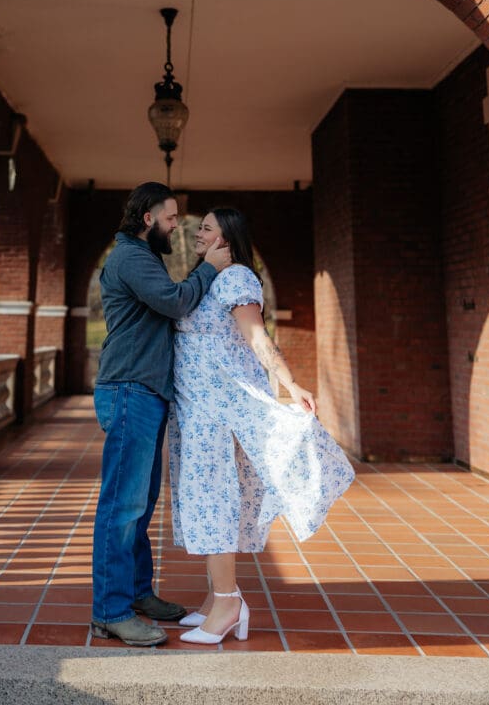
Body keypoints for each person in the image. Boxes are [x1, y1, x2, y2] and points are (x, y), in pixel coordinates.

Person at [168, 206, 355, 645]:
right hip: (197, 411)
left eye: (207, 228)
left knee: (213, 500)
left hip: (218, 411)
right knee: (205, 498)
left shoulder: (235, 278)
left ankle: (229, 603)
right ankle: (217, 600)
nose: (199, 233)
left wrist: (291, 383)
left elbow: (257, 338)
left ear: (226, 238)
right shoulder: (210, 276)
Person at [90, 182, 231, 648]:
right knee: (122, 505)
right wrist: (209, 269)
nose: (177, 226)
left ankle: (137, 593)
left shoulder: (141, 257)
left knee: (141, 504)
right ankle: (110, 612)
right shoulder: (129, 256)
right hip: (130, 388)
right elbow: (174, 302)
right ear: (149, 218)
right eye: (171, 218)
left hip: (145, 392)